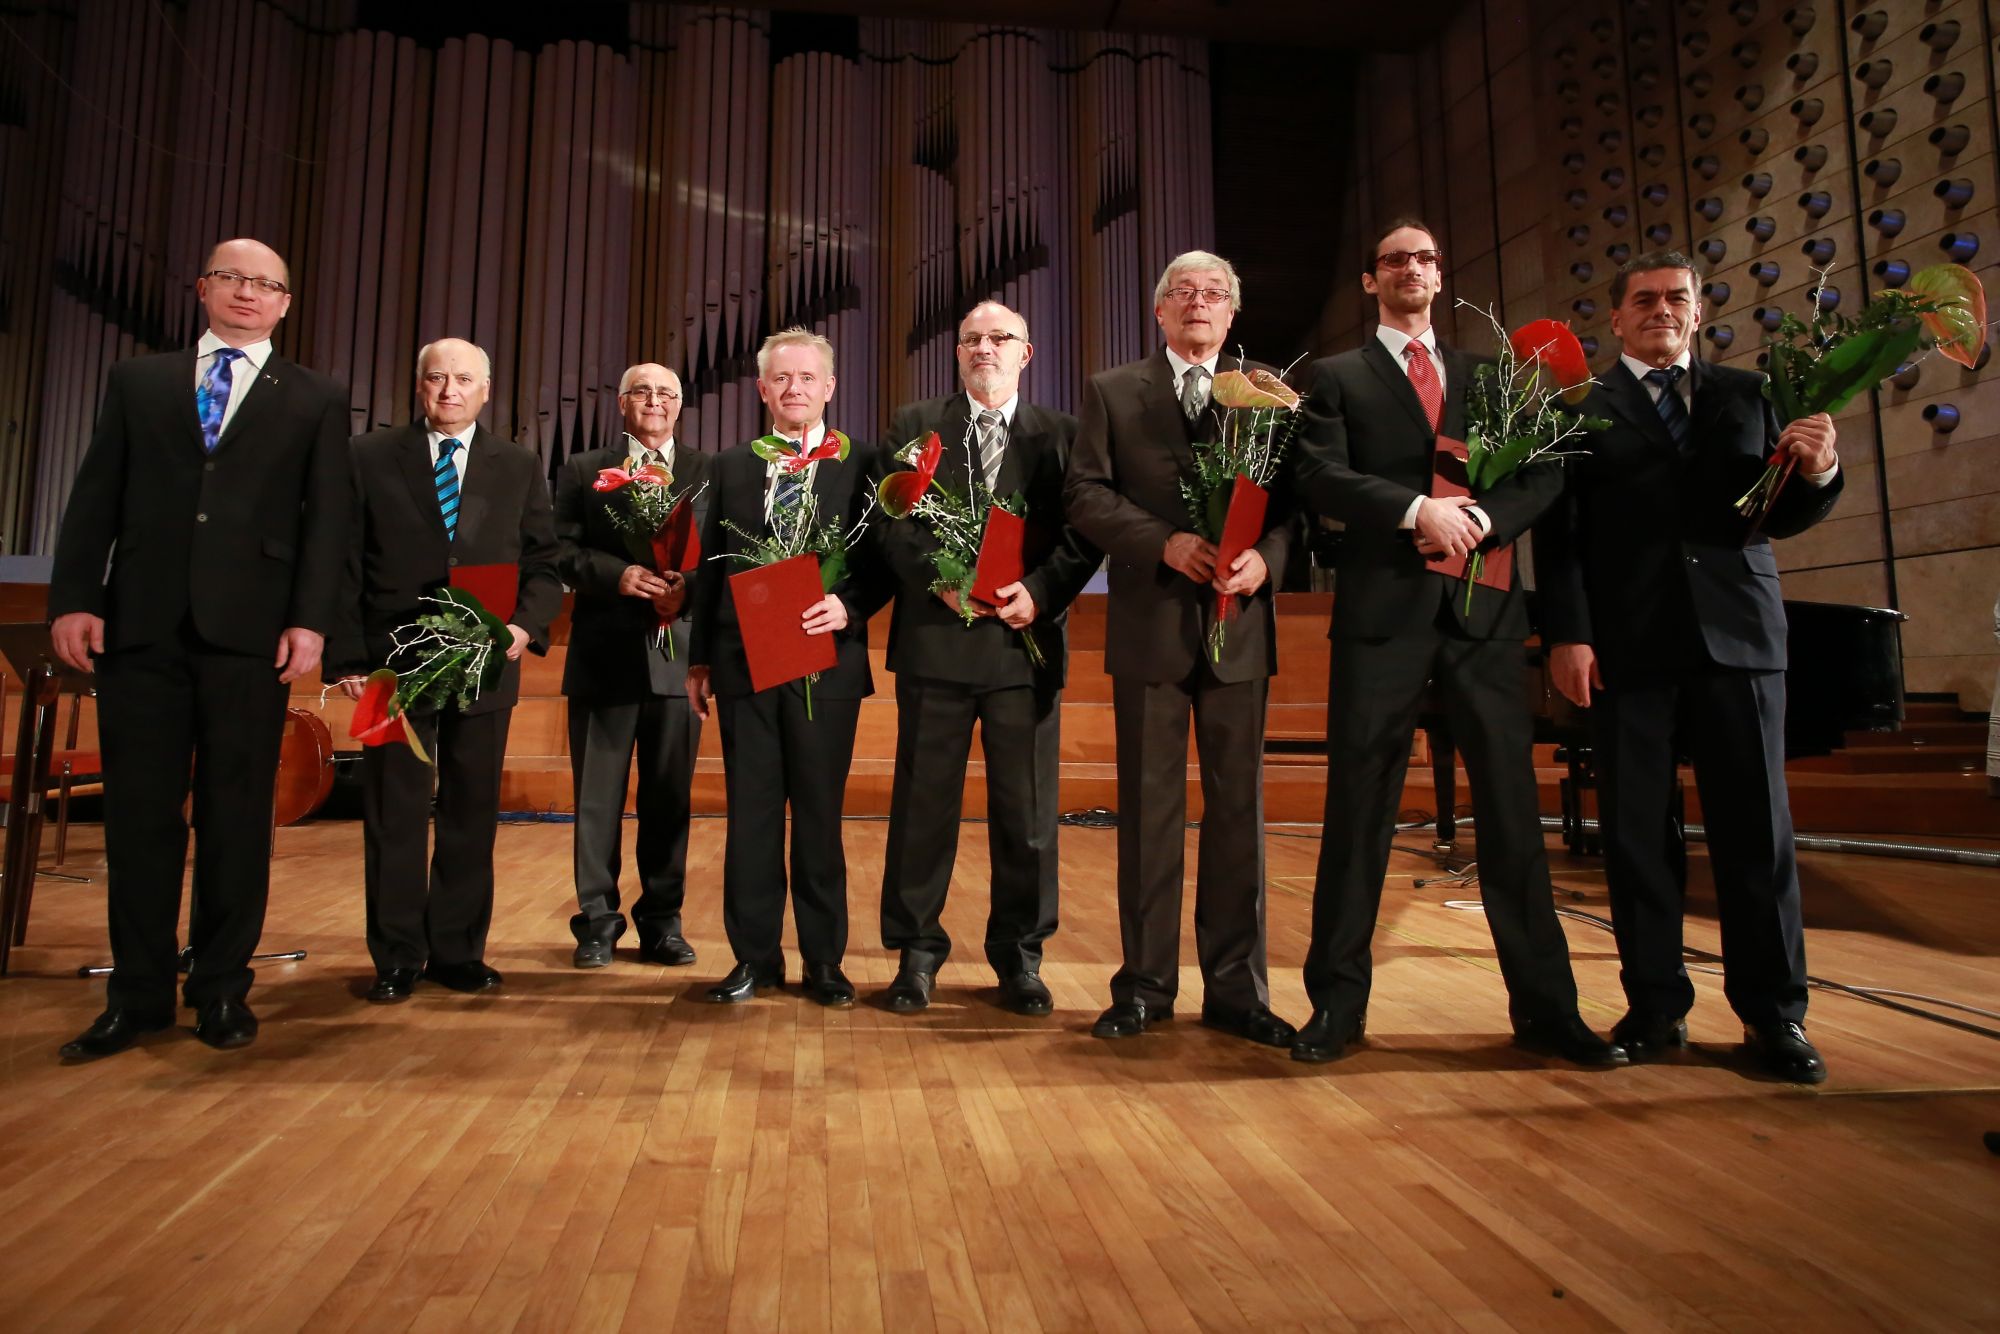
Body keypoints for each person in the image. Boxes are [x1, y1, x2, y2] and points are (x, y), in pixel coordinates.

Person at [1287, 218, 1622, 1067]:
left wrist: (1483, 515)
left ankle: (1549, 1011)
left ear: (1442, 276)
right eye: (1394, 259)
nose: (1411, 270)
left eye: (1427, 258)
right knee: (1357, 817)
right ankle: (1336, 1008)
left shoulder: (1492, 374)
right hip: (1383, 621)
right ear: (1371, 281)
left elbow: (1547, 471)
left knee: (1512, 819)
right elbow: (1318, 475)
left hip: (1485, 620)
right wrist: (1415, 510)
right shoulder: (1334, 378)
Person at [1534, 250, 1842, 1083]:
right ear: (1618, 318)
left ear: (1698, 314)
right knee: (1636, 837)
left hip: (1739, 636)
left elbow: (1784, 509)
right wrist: (1568, 635)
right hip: (1628, 645)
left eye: (1677, 299)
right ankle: (1654, 1008)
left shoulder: (1748, 394)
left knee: (1757, 834)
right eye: (1644, 300)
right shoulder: (1582, 409)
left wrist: (1820, 469)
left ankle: (1776, 1019)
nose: (1661, 310)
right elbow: (1558, 539)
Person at [48, 238, 350, 1060]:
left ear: (286, 303)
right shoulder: (138, 382)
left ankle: (220, 988)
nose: (248, 293)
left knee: (237, 817)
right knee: (140, 818)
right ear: (203, 288)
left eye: (267, 284)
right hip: (140, 624)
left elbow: (325, 519)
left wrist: (310, 620)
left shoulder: (316, 396)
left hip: (250, 634)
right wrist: (76, 597)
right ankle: (137, 995)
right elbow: (94, 496)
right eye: (233, 278)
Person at [1062, 250, 1298, 1048]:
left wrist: (1270, 556)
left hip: (1241, 628)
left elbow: (1300, 500)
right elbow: (1085, 493)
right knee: (1149, 816)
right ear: (1158, 310)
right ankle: (1144, 987)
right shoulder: (1111, 390)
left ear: (1231, 315)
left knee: (1239, 816)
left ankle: (1238, 989)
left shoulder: (1269, 391)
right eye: (1183, 292)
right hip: (1151, 626)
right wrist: (1160, 542)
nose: (1199, 303)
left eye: (1215, 294)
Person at [873, 301, 1099, 1015]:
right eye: (971, 339)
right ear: (958, 354)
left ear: (1025, 355)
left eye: (1000, 338)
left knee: (1026, 815)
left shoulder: (1062, 435)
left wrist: (1042, 592)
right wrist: (936, 579)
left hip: (1021, 645)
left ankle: (1020, 957)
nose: (984, 349)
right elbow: (888, 522)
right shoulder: (914, 427)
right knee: (922, 809)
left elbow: (1084, 531)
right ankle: (915, 954)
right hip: (936, 644)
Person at [328, 338, 562, 1003]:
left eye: (464, 379)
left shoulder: (516, 464)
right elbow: (344, 560)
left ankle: (457, 951)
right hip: (392, 664)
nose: (450, 390)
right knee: (393, 811)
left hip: (486, 657)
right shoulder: (369, 456)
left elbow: (544, 564)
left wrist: (523, 625)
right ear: (419, 386)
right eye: (437, 378)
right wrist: (349, 656)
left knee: (469, 808)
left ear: (487, 389)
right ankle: (396, 956)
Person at [686, 328, 889, 1007]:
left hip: (827, 664)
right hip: (744, 663)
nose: (794, 389)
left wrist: (849, 608)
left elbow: (885, 558)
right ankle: (754, 958)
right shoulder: (731, 464)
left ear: (830, 387)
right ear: (763, 389)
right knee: (751, 815)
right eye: (782, 379)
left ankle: (825, 960)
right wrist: (698, 661)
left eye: (807, 378)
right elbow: (711, 564)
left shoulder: (864, 464)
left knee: (820, 816)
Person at [553, 363, 710, 969]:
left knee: (670, 798)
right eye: (642, 392)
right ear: (622, 404)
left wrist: (686, 588)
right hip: (604, 655)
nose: (654, 401)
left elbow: (719, 556)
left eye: (666, 393)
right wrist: (614, 575)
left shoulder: (706, 471)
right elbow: (559, 551)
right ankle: (596, 921)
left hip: (678, 662)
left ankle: (662, 922)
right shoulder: (582, 469)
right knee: (597, 800)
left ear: (679, 406)